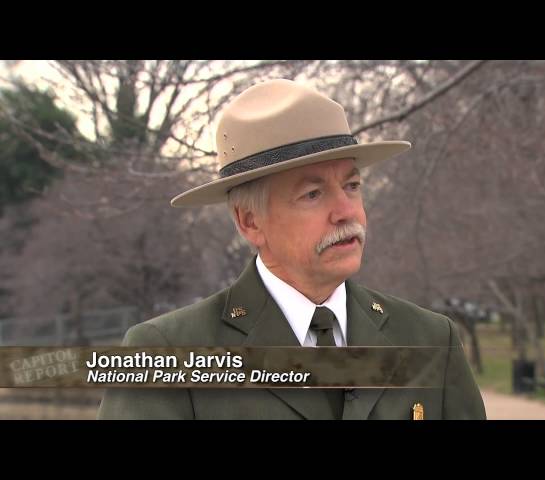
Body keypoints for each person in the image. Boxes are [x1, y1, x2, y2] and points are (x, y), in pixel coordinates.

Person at [97, 78, 486, 420]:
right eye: (313, 194)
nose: (346, 212)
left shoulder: (431, 338)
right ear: (250, 222)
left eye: (352, 186)